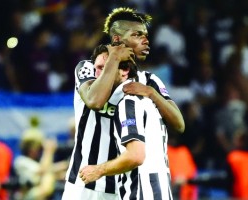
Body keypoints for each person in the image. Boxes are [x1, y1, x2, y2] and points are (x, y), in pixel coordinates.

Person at [62, 7, 184, 200]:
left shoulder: (149, 81)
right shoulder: (89, 68)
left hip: (122, 187)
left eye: (145, 35)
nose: (146, 40)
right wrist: (115, 57)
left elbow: (179, 123)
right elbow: (94, 101)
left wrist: (152, 94)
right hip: (84, 183)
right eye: (137, 35)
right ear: (117, 40)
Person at [79, 46, 173, 199]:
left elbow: (136, 156)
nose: (98, 75)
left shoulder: (128, 103)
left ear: (124, 71)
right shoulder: (147, 102)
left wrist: (98, 170)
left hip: (142, 193)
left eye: (106, 67)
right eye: (97, 68)